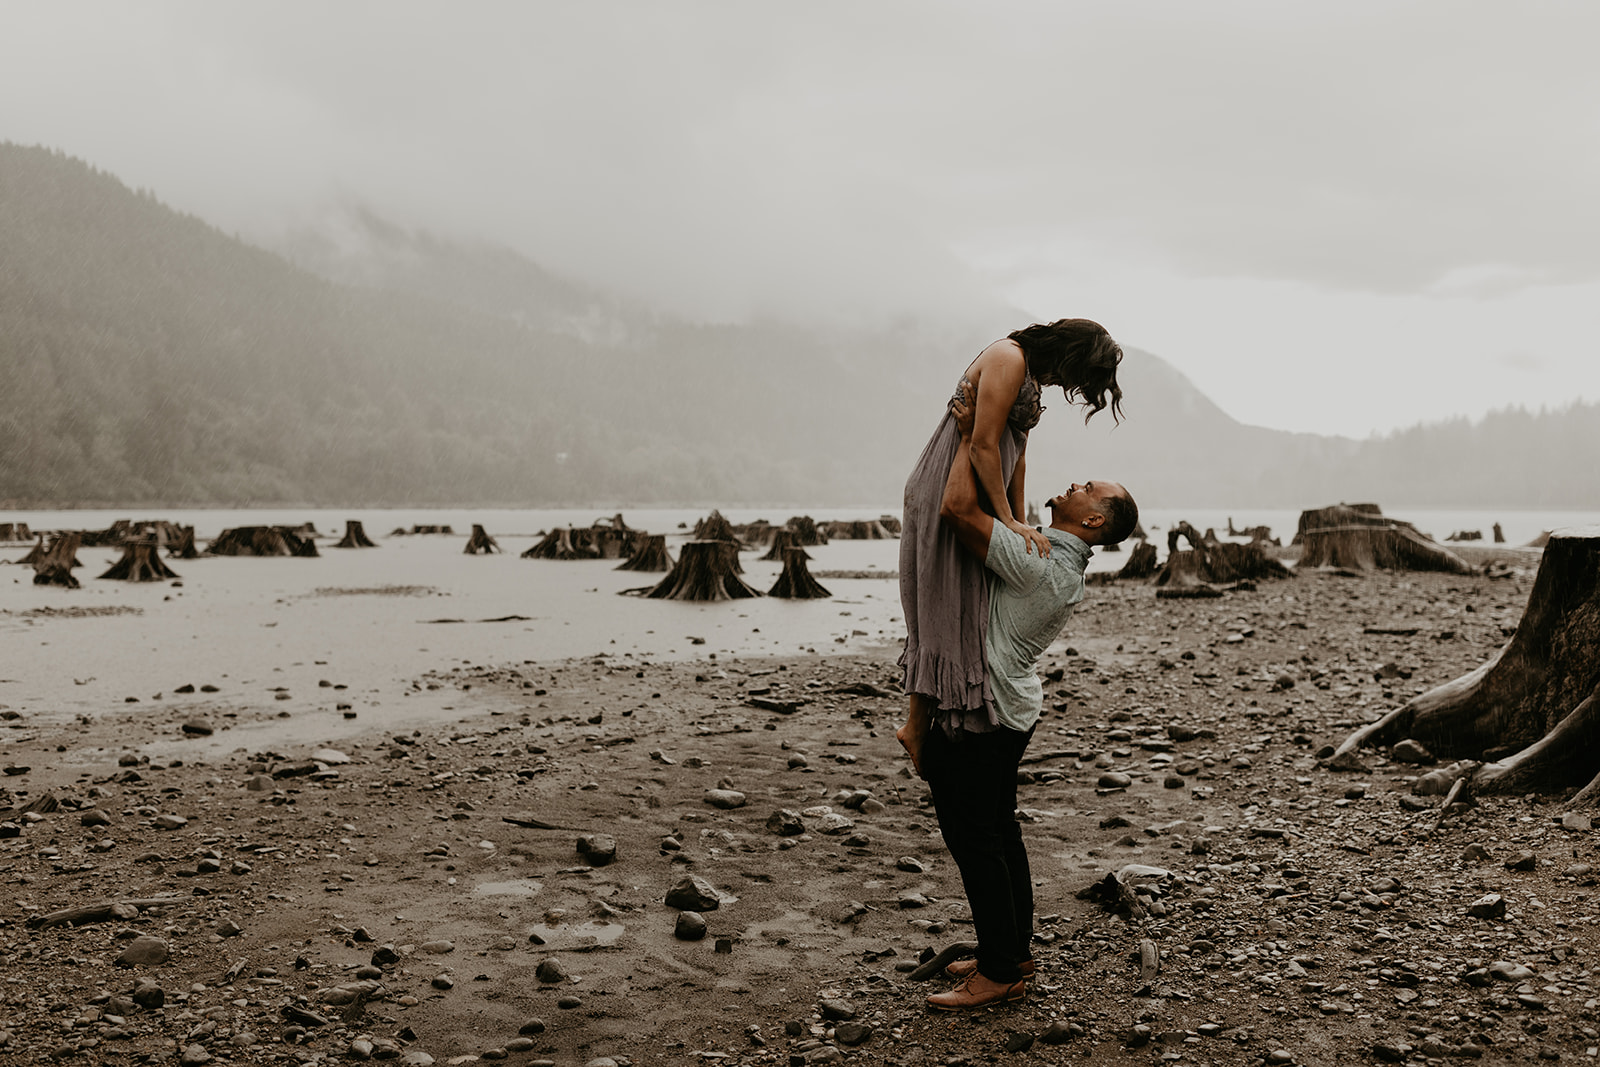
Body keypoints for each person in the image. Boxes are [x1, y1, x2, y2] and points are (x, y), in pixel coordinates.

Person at [923, 383, 1138, 1012]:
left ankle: (998, 973)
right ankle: (1012, 953)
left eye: (1087, 490)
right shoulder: (1052, 551)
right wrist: (1009, 438)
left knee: (975, 837)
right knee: (998, 831)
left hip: (988, 709)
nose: (1076, 486)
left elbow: (959, 511)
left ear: (1093, 520)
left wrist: (969, 437)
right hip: (1012, 706)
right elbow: (1010, 506)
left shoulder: (1038, 561)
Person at [896, 319, 1123, 778]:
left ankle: (926, 720)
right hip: (953, 478)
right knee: (945, 598)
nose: (1071, 386)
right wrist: (1004, 519)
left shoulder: (1031, 375)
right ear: (1070, 353)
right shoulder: (1008, 358)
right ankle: (917, 724)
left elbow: (1015, 450)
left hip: (985, 485)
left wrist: (1016, 520)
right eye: (1079, 376)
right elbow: (981, 444)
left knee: (966, 602)